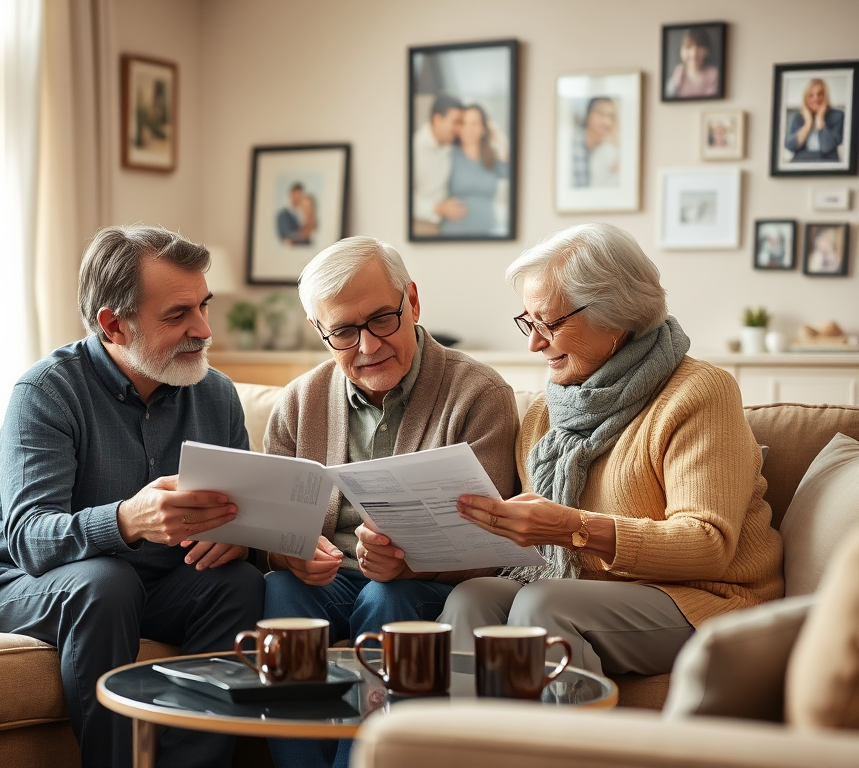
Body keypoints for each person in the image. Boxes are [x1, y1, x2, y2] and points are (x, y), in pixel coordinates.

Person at [0, 225, 265, 768]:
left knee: (235, 583)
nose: (203, 329)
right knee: (108, 580)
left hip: (154, 586)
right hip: (20, 586)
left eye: (203, 306)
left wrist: (240, 542)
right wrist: (128, 520)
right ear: (112, 325)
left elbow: (244, 516)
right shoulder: (46, 392)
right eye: (177, 315)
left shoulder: (214, 395)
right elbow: (30, 538)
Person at [439, 223, 784, 681]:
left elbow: (708, 545)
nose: (533, 343)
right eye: (527, 321)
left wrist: (572, 527)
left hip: (706, 598)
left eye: (550, 323)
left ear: (617, 316)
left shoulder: (699, 393)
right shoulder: (547, 413)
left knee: (546, 603)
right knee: (473, 597)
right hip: (587, 592)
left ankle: (560, 750)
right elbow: (531, 549)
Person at [263, 235, 519, 768]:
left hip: (423, 588)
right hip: (328, 581)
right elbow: (273, 532)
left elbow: (496, 546)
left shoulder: (479, 394)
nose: (369, 345)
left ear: (413, 302)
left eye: (382, 318)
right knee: (283, 594)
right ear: (321, 332)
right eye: (344, 332)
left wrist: (409, 562)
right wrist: (288, 551)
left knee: (388, 602)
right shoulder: (297, 403)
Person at [440, 104, 509, 237]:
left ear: (483, 128)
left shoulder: (492, 157)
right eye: (464, 123)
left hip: (490, 232)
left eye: (474, 123)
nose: (468, 129)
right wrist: (441, 207)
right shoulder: (448, 155)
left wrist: (498, 137)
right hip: (454, 234)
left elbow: (512, 172)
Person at [412, 93, 466, 235]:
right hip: (420, 226)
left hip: (446, 227)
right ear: (437, 119)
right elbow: (403, 199)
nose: (459, 129)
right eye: (455, 122)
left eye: (461, 123)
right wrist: (438, 209)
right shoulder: (414, 147)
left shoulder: (452, 145)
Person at [785, 78, 845, 162]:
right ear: (805, 98)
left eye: (820, 94)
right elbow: (790, 146)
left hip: (828, 166)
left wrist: (820, 118)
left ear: (825, 96)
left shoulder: (837, 116)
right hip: (801, 166)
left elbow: (826, 146)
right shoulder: (798, 117)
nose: (816, 99)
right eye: (811, 95)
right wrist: (808, 123)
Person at [572, 97, 619, 188]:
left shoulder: (609, 150)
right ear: (588, 115)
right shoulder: (572, 143)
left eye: (611, 116)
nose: (607, 122)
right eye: (601, 114)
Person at [665, 27, 720, 99]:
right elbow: (669, 95)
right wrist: (676, 82)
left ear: (707, 51)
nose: (694, 53)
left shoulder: (713, 74)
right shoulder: (679, 72)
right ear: (681, 51)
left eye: (699, 47)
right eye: (688, 47)